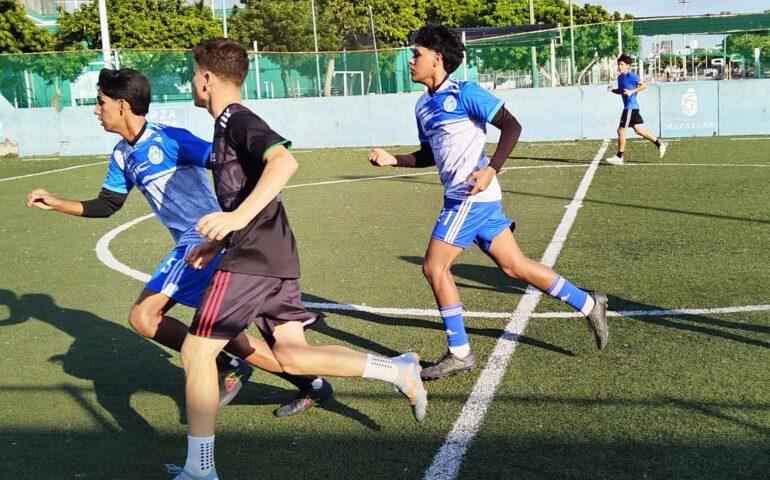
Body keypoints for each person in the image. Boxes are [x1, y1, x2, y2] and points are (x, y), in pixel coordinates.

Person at [168, 38, 427, 480]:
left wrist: (236, 221)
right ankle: (397, 369)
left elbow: (284, 162)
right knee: (291, 356)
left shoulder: (236, 119)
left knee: (196, 353)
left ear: (208, 78)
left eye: (194, 73)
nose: (191, 81)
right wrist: (222, 237)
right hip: (270, 253)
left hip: (253, 258)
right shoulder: (226, 125)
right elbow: (251, 191)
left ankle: (200, 471)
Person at [25, 68, 331, 415]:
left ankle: (226, 368)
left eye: (100, 102)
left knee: (144, 316)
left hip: (203, 238)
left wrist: (239, 216)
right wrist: (57, 203)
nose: (96, 110)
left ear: (122, 105)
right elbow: (108, 204)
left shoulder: (170, 139)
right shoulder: (122, 155)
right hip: (199, 245)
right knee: (217, 330)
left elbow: (225, 161)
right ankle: (311, 384)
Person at [367, 25, 609, 380]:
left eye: (416, 54)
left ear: (437, 58)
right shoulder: (422, 106)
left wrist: (491, 169)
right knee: (514, 267)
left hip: (471, 197)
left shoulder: (465, 92)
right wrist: (394, 160)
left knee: (434, 268)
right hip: (467, 198)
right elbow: (428, 155)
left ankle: (460, 353)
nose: (410, 61)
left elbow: (511, 126)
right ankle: (590, 303)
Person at [605, 53, 667, 165]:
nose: (619, 66)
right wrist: (612, 90)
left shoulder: (631, 76)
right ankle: (660, 144)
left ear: (628, 65)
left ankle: (619, 157)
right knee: (638, 130)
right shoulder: (620, 77)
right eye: (619, 64)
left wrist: (631, 91)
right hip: (630, 108)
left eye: (622, 64)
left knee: (621, 130)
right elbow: (621, 91)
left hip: (631, 108)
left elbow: (643, 85)